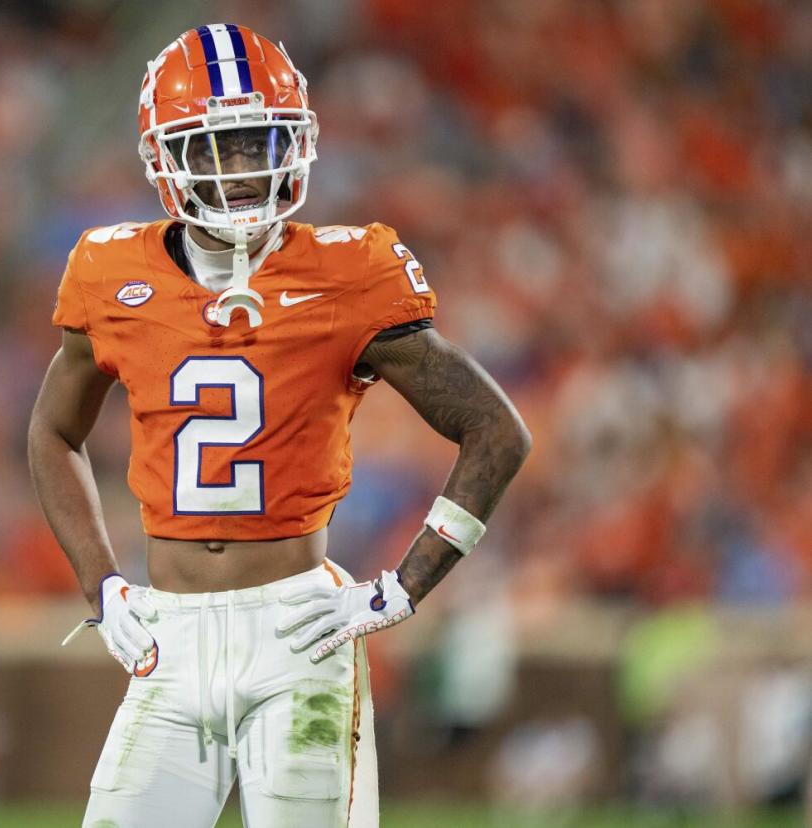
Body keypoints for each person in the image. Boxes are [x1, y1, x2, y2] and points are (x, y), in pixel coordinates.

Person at [28, 23, 531, 827]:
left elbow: (497, 431)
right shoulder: (110, 271)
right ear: (166, 158)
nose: (238, 171)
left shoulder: (349, 272)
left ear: (293, 139)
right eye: (213, 148)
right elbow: (53, 433)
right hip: (167, 638)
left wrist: (405, 586)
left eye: (255, 141)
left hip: (299, 638)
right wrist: (102, 586)